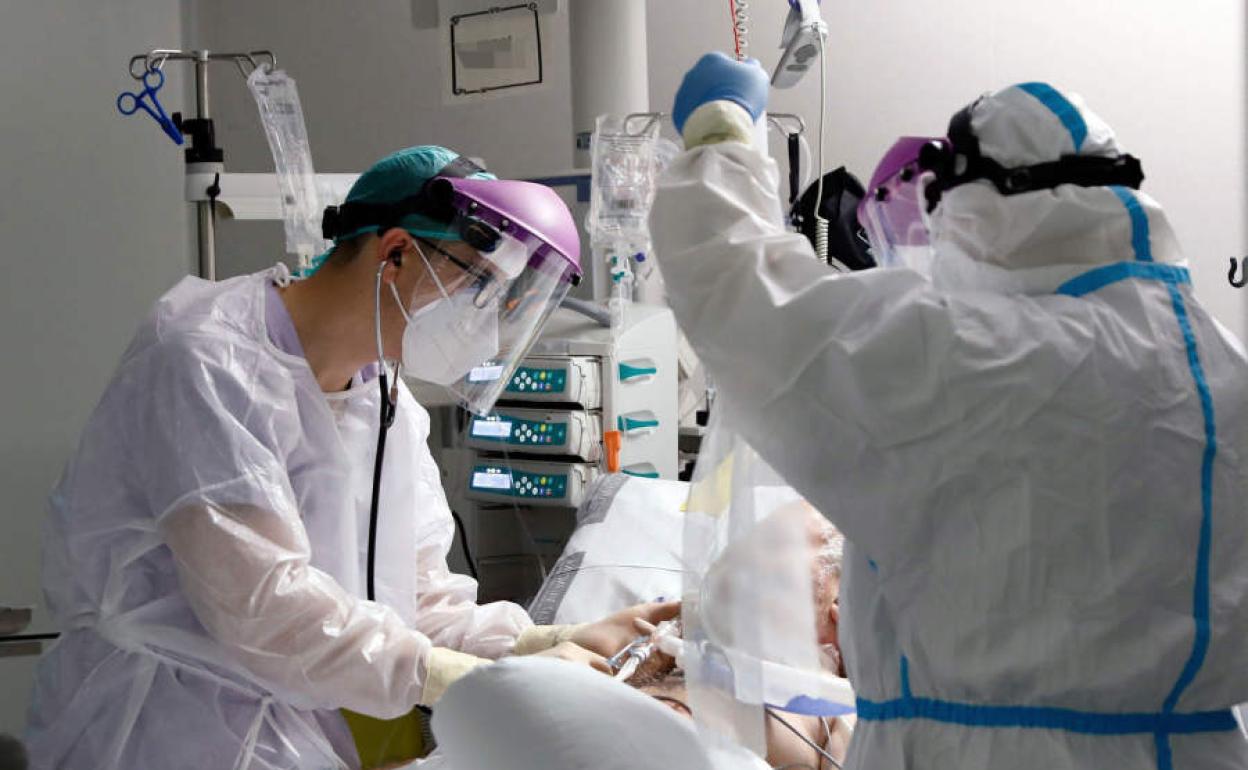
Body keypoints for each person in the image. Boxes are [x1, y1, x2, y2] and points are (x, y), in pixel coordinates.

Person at [651, 53, 1248, 769]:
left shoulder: (977, 352)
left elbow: (745, 293)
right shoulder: (1222, 364)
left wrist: (722, 140)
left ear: (984, 207)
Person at [26, 145, 676, 770]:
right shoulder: (207, 362)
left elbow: (418, 601)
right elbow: (263, 609)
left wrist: (550, 644)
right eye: (478, 286)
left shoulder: (385, 400)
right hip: (159, 733)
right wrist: (479, 681)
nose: (485, 320)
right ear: (394, 252)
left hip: (295, 729)